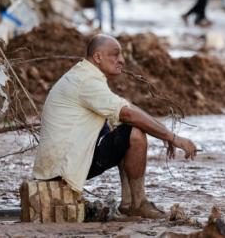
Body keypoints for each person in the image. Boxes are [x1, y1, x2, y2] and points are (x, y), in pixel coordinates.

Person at [33, 34, 198, 219]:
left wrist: (165, 134)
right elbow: (128, 113)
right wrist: (172, 137)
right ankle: (138, 203)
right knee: (134, 133)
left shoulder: (84, 75)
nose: (122, 60)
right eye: (115, 54)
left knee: (122, 126)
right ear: (97, 57)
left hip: (59, 164)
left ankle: (127, 203)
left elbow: (125, 111)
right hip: (62, 168)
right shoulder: (87, 81)